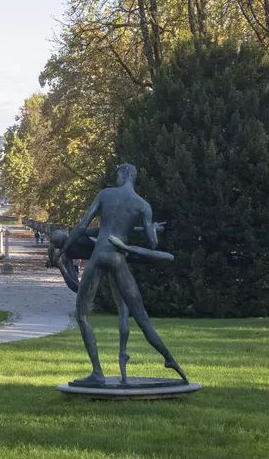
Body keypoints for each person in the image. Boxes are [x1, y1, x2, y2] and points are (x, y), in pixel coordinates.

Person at [57, 163, 185, 385]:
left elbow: (82, 225)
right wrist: (153, 229)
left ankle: (97, 373)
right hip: (118, 259)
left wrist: (63, 250)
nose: (115, 177)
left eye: (117, 173)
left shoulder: (106, 194)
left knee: (83, 315)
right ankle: (170, 359)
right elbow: (153, 244)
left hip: (100, 255)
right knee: (142, 317)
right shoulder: (142, 205)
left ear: (125, 173)